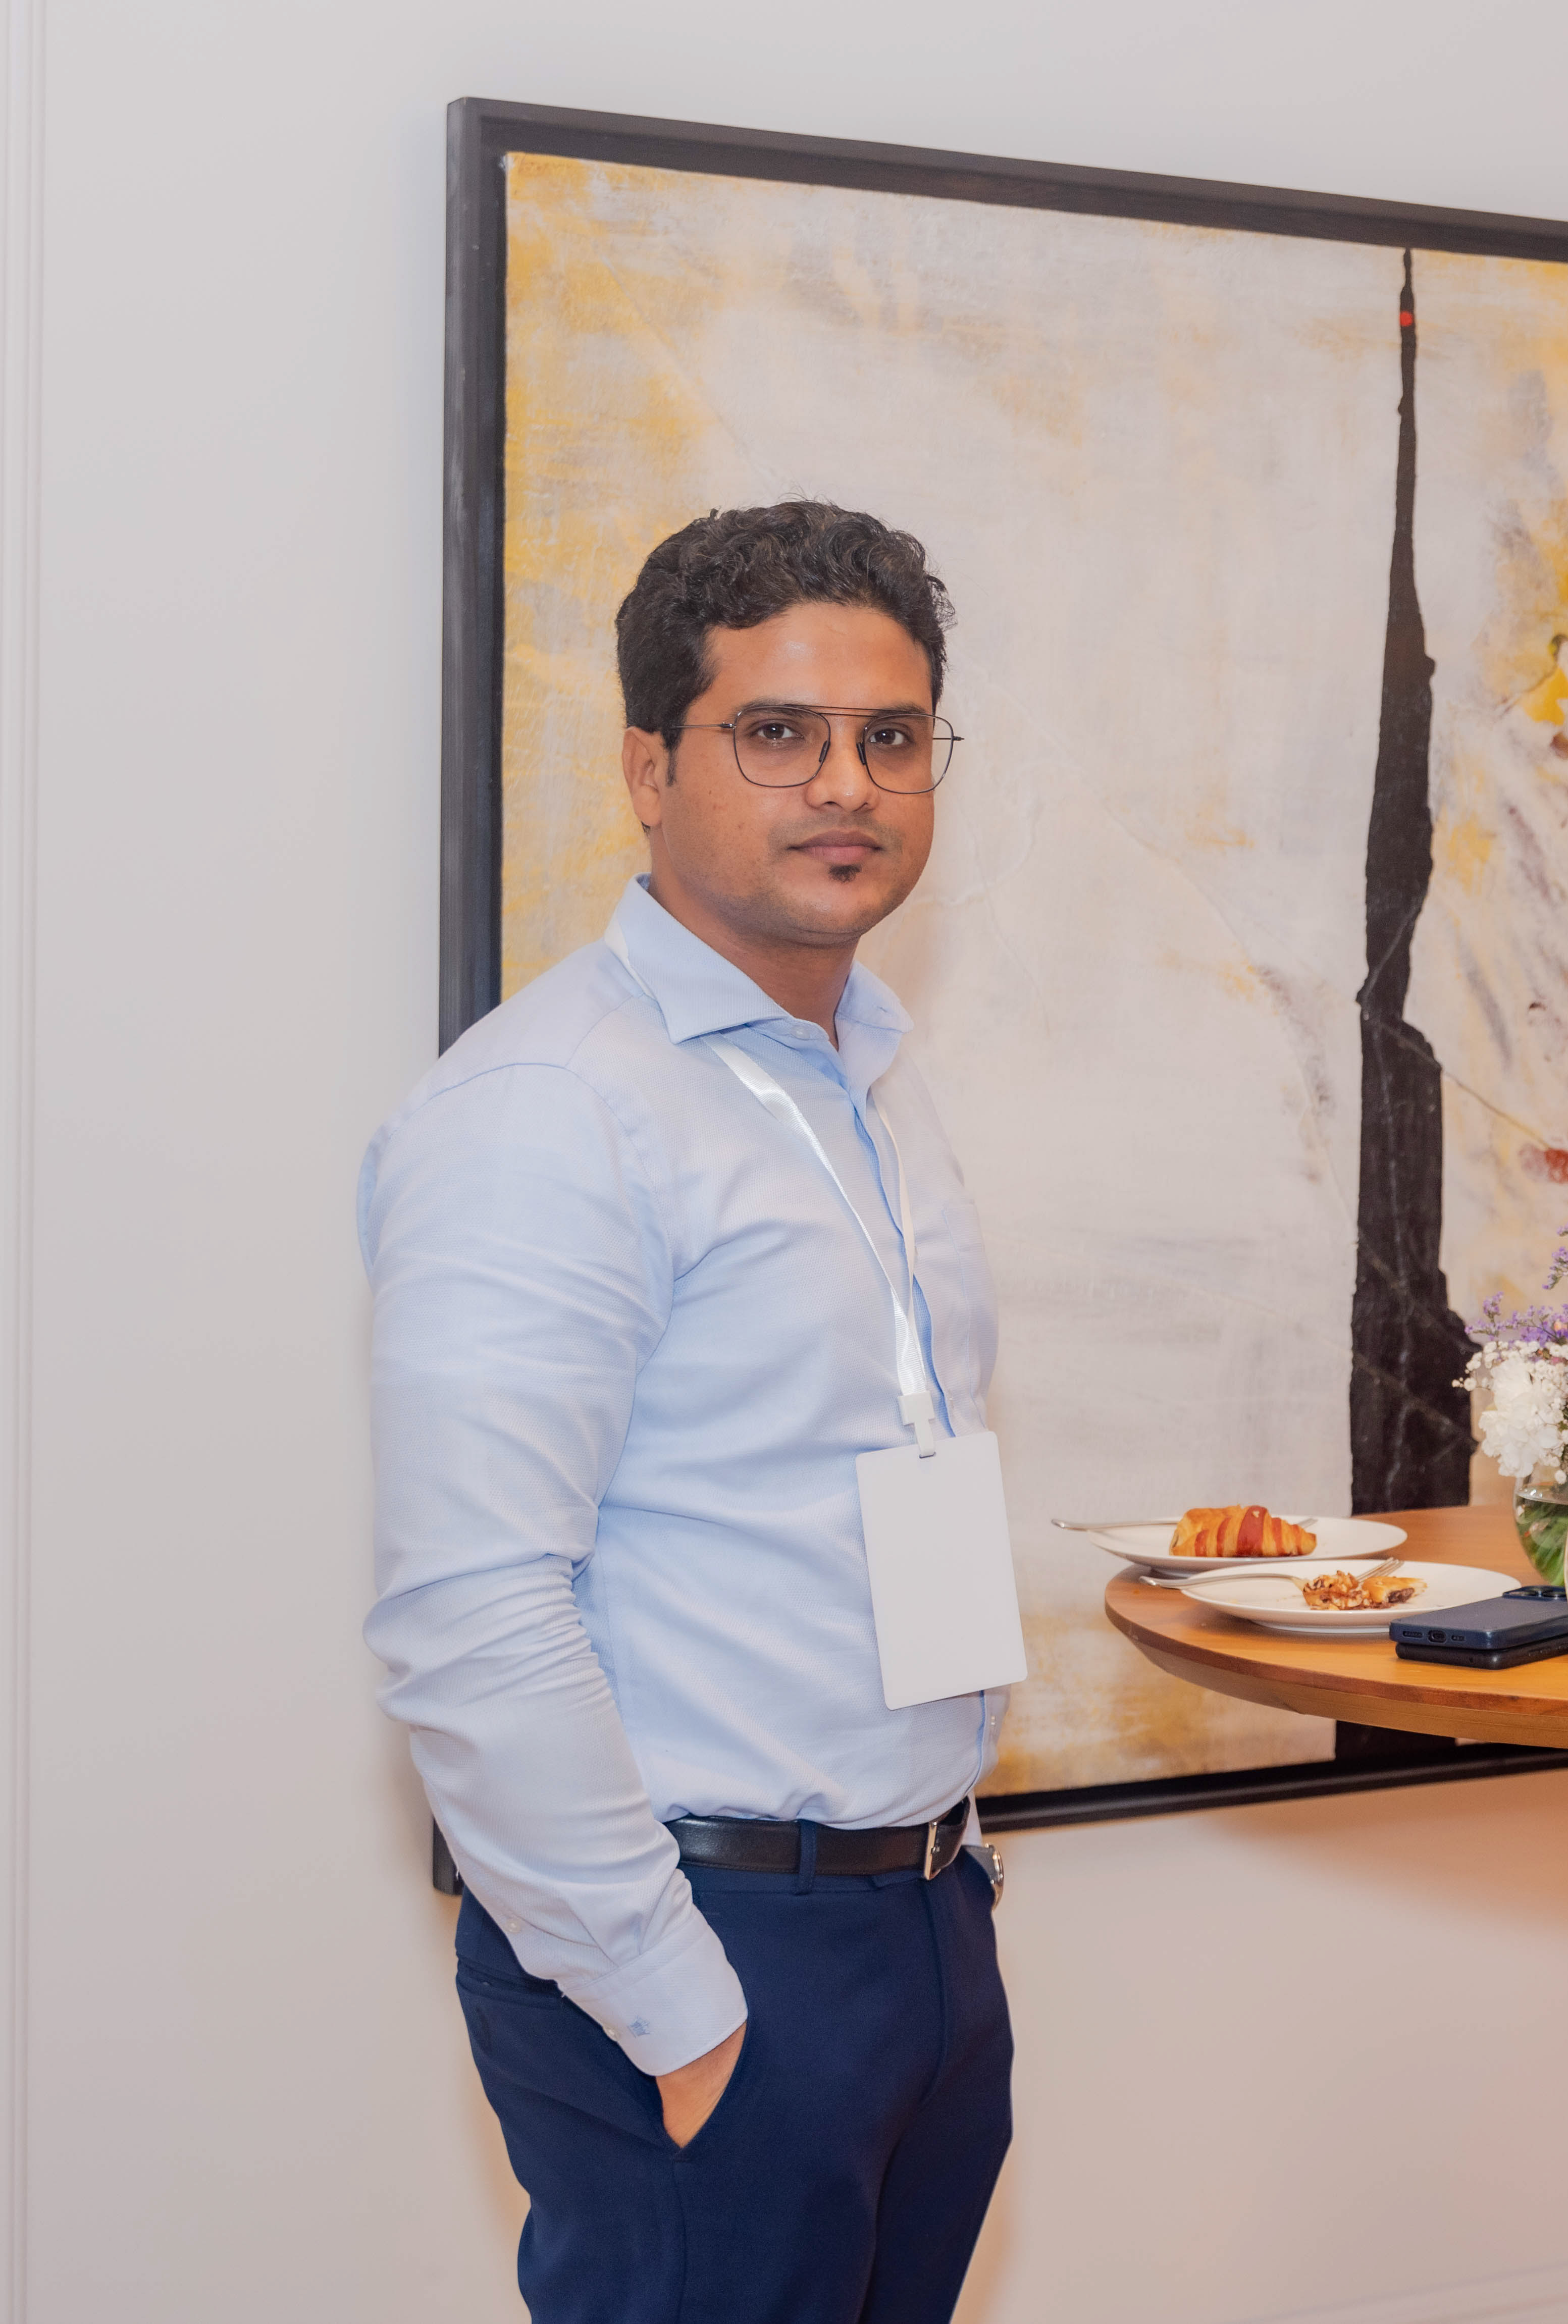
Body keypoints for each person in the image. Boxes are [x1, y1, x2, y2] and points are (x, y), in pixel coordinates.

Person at [364, 502, 1015, 2324]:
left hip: (920, 1926)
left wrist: (950, 1884)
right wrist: (682, 2012)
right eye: (779, 732)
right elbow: (471, 1612)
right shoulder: (548, 1112)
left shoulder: (870, 1078)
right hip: (709, 1954)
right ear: (651, 768)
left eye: (893, 735)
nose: (849, 784)